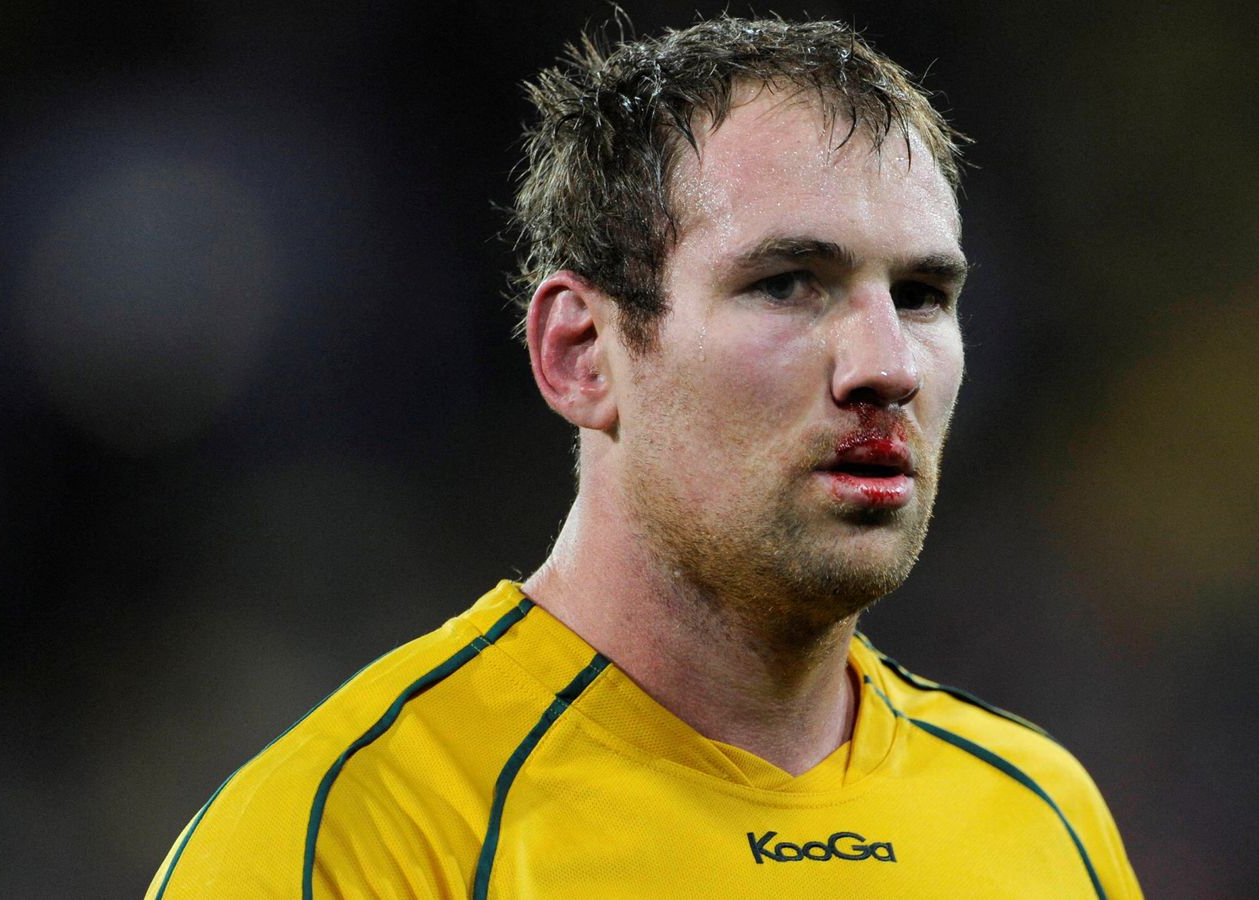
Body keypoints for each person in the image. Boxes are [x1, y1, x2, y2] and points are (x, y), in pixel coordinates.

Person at [147, 16, 1141, 899]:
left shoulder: (1043, 818)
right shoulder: (354, 838)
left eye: (921, 296)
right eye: (789, 283)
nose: (887, 366)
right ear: (580, 355)